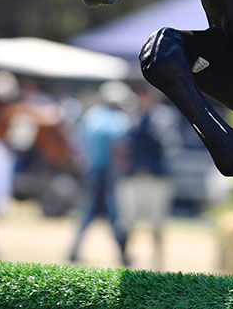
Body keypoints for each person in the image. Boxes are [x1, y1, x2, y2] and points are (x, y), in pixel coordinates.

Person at [67, 80, 134, 266]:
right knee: (115, 213)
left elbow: (78, 143)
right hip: (110, 172)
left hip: (90, 170)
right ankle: (123, 254)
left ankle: (73, 251)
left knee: (87, 212)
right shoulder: (119, 120)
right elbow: (121, 146)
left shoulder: (91, 116)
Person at [116, 87, 175, 270]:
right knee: (128, 222)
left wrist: (145, 117)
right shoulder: (132, 116)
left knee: (157, 224)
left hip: (156, 177)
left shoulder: (163, 116)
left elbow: (163, 141)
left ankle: (158, 265)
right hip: (134, 176)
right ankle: (126, 260)